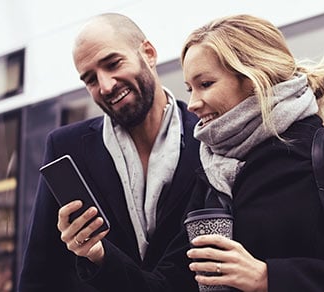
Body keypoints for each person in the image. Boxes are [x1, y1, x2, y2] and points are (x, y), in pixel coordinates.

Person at [179, 14, 324, 291]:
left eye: (205, 84)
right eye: (189, 89)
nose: (193, 103)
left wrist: (269, 278)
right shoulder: (209, 172)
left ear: (255, 77)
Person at [18, 13, 200, 291]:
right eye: (90, 79)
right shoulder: (66, 147)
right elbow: (39, 274)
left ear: (148, 53)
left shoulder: (207, 138)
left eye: (113, 64)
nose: (105, 85)